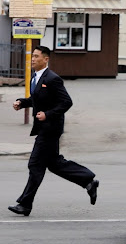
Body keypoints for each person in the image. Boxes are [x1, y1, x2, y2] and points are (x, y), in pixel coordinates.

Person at [9, 46, 98, 217]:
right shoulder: (35, 78)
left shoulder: (52, 79)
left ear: (46, 59)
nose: (32, 59)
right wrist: (21, 103)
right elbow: (36, 100)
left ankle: (25, 204)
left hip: (50, 129)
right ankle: (88, 181)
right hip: (44, 128)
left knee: (35, 164)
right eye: (32, 56)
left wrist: (48, 114)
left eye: (36, 56)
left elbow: (66, 102)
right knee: (55, 164)